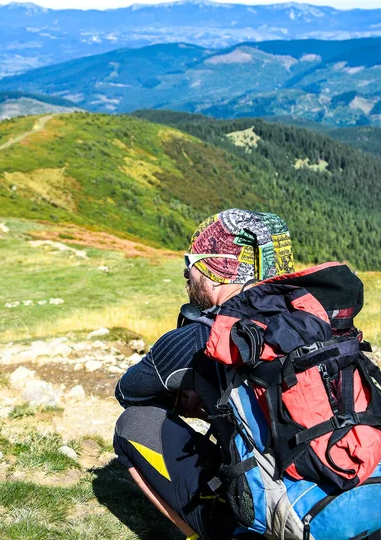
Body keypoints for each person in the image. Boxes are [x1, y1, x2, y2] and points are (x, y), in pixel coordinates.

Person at [113, 209, 295, 540]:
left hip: (273, 514)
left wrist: (194, 393)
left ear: (217, 271)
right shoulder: (315, 316)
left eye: (192, 263)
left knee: (131, 425)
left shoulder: (202, 335)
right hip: (345, 488)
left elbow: (128, 392)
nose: (187, 274)